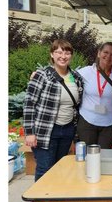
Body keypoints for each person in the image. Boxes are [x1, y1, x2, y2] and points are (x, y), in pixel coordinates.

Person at [22, 38, 84, 182]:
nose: (63, 56)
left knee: (59, 167)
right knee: (45, 168)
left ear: (71, 56)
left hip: (67, 130)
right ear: (52, 54)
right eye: (59, 52)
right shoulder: (42, 75)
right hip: (45, 130)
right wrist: (29, 133)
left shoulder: (76, 77)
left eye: (67, 53)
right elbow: (29, 104)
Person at [75, 41, 112, 150]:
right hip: (87, 120)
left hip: (109, 123)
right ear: (99, 53)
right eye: (105, 52)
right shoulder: (86, 72)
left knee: (103, 156)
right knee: (88, 156)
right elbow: (67, 79)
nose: (108, 56)